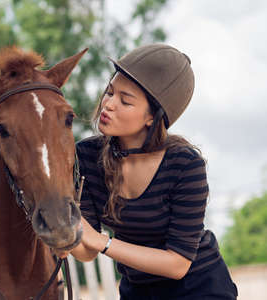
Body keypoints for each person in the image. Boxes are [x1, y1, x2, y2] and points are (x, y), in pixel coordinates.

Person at [61, 44, 238, 299]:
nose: (108, 104)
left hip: (199, 287)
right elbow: (86, 250)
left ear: (152, 118)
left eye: (125, 101)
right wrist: (58, 227)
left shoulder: (185, 165)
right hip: (138, 290)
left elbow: (178, 264)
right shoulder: (86, 156)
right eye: (110, 92)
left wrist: (104, 242)